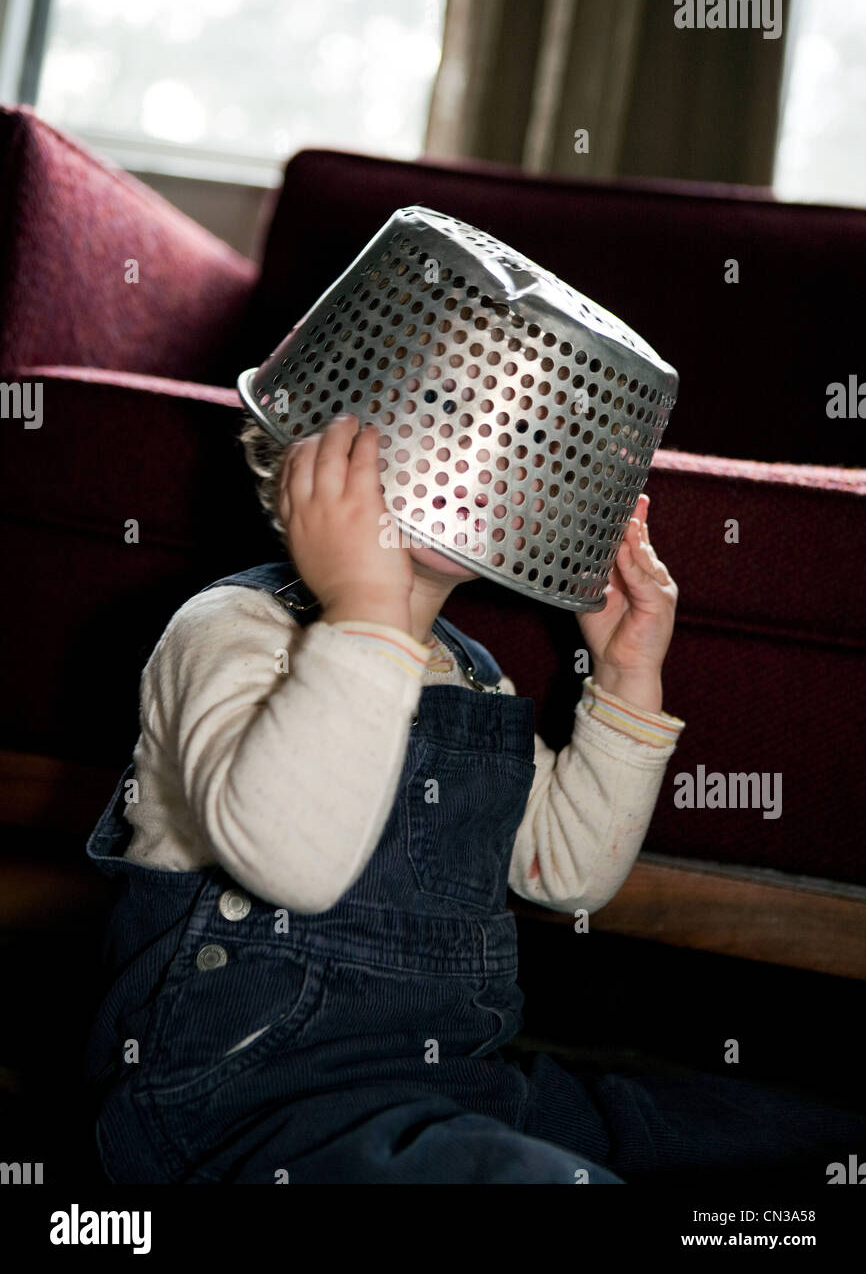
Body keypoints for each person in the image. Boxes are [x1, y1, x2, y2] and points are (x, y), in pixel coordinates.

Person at [84, 412, 866, 1185]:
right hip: (244, 1109)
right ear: (308, 456)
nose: (462, 462)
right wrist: (363, 608)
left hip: (459, 1086)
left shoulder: (474, 677)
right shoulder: (235, 627)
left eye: (503, 446)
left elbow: (567, 874)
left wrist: (628, 676)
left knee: (758, 1134)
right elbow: (290, 864)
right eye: (427, 422)